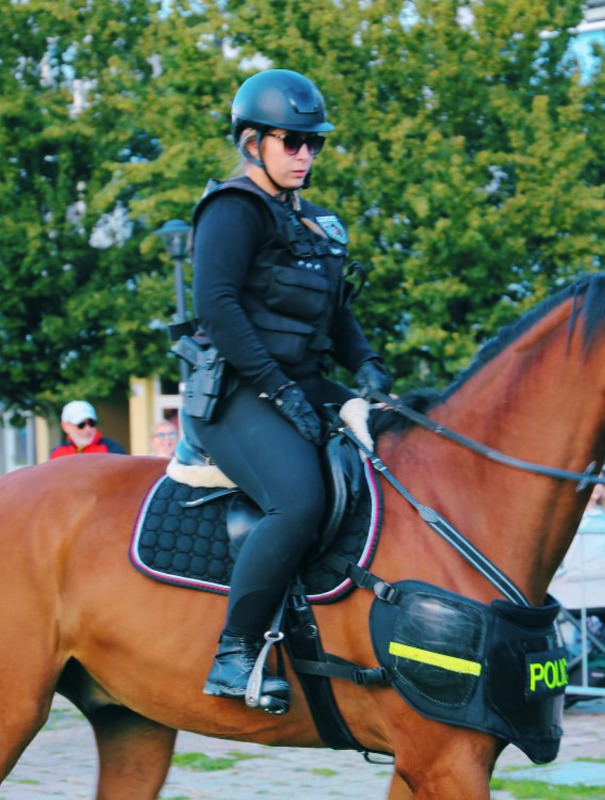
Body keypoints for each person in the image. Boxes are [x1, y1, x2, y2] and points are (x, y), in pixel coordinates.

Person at [178, 69, 391, 712]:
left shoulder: (321, 222)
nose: (305, 154)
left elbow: (338, 313)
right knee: (298, 500)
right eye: (291, 142)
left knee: (405, 443)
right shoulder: (232, 210)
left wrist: (370, 368)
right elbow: (216, 307)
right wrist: (279, 391)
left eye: (313, 143)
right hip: (236, 392)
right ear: (252, 143)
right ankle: (235, 652)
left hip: (301, 383)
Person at [49, 401, 126, 459]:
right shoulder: (57, 453)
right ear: (65, 426)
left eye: (91, 423)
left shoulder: (113, 450)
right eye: (80, 425)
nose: (88, 429)